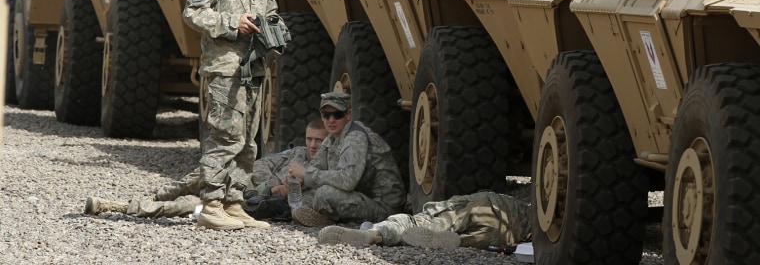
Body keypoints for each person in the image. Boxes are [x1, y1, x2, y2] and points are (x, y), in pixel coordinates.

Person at [182, 0, 288, 230]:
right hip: (225, 69)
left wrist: (277, 30)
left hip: (253, 68)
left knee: (247, 141)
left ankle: (234, 201)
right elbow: (192, 13)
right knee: (224, 136)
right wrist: (232, 24)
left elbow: (271, 15)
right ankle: (211, 204)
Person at [83, 118, 328, 220]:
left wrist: (275, 191)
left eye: (319, 140)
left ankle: (119, 207)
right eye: (310, 139)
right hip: (245, 183)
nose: (313, 145)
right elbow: (261, 165)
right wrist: (267, 182)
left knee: (187, 207)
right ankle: (157, 194)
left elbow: (288, 208)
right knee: (200, 177)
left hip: (245, 203)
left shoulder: (325, 170)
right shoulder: (296, 154)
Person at [287, 91, 406, 228]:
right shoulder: (331, 138)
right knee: (303, 198)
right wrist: (298, 179)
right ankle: (328, 217)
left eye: (337, 115)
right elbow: (317, 166)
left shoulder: (355, 138)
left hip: (385, 208)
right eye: (326, 115)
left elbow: (347, 181)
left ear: (348, 115)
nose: (331, 120)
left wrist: (307, 174)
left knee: (324, 194)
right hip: (361, 196)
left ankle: (329, 220)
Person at [318, 189, 532, 251]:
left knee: (428, 220)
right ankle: (459, 241)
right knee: (471, 239)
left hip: (498, 205)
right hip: (510, 235)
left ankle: (374, 233)